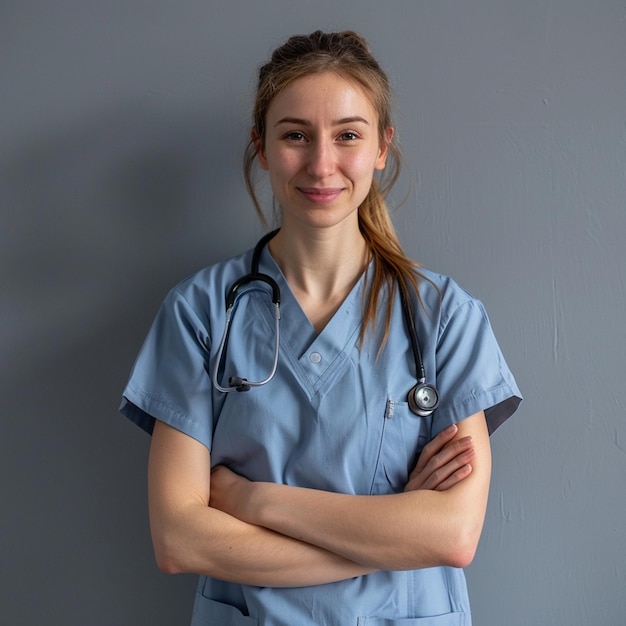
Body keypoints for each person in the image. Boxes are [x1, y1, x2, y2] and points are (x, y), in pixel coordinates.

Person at [120, 30, 522, 626]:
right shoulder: (201, 312)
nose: (321, 164)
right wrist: (390, 536)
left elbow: (453, 534)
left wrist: (251, 500)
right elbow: (180, 541)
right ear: (261, 146)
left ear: (382, 147)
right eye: (295, 136)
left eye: (348, 135)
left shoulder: (445, 319)